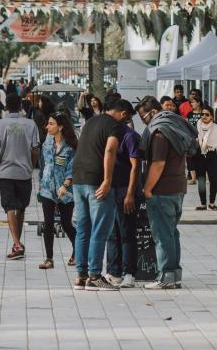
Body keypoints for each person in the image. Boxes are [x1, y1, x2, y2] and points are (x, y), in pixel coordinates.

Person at [137, 96, 197, 289]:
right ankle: (175, 275)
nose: (143, 122)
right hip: (178, 187)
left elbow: (158, 163)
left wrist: (147, 188)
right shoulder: (176, 126)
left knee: (162, 235)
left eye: (143, 117)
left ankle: (166, 276)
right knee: (171, 233)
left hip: (162, 189)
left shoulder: (160, 132)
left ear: (153, 112)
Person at [71, 99, 129, 291]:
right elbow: (111, 149)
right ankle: (95, 276)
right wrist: (107, 180)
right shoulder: (115, 126)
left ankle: (81, 275)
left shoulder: (91, 122)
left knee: (83, 228)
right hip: (96, 181)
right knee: (100, 229)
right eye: (127, 117)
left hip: (79, 179)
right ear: (122, 113)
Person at [0, 93, 40, 260]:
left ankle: (17, 244)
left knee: (9, 207)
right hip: (24, 172)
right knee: (21, 207)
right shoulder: (30, 124)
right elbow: (35, 150)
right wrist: (31, 165)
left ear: (6, 106)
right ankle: (17, 243)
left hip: (6, 172)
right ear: (21, 106)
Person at [105, 100, 141, 289]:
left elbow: (136, 166)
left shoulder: (130, 137)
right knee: (111, 233)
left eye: (112, 114)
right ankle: (113, 271)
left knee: (127, 232)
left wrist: (130, 194)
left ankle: (129, 273)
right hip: (110, 190)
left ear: (123, 114)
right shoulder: (109, 135)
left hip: (125, 190)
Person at [37, 112, 77, 270]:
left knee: (67, 224)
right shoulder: (47, 143)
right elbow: (43, 164)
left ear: (60, 127)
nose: (47, 127)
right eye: (48, 123)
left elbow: (72, 169)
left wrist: (65, 186)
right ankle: (49, 259)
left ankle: (77, 251)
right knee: (48, 223)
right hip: (47, 188)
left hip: (65, 191)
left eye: (51, 124)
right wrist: (41, 182)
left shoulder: (71, 146)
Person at [194, 106, 217, 211]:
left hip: (211, 154)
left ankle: (212, 203)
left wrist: (211, 143)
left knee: (213, 180)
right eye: (202, 114)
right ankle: (203, 204)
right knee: (201, 180)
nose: (204, 116)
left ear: (212, 117)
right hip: (199, 155)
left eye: (207, 114)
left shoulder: (216, 127)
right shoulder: (197, 126)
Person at [186, 97, 204, 185]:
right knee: (190, 158)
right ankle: (193, 178)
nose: (192, 104)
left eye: (193, 102)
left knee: (199, 158)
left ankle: (200, 176)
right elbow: (186, 125)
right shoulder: (189, 114)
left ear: (198, 103)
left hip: (201, 139)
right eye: (191, 103)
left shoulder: (203, 114)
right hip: (191, 139)